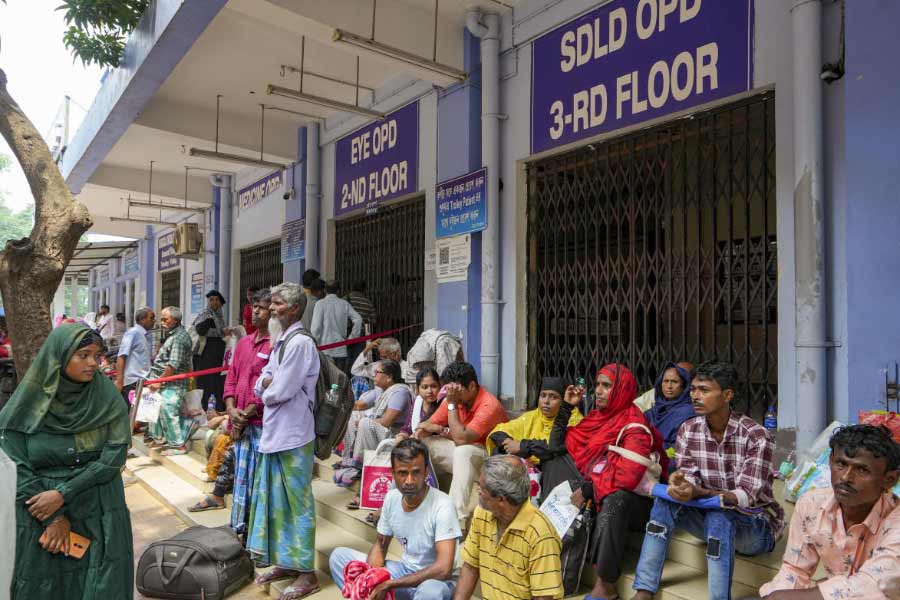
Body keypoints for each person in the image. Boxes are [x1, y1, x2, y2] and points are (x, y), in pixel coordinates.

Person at [0, 324, 133, 598]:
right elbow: (14, 460)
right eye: (83, 355)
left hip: (99, 508)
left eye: (97, 356)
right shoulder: (29, 403)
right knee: (45, 587)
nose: (92, 363)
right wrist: (54, 516)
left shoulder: (106, 398)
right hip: (38, 511)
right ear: (59, 357)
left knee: (99, 586)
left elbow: (113, 457)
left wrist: (63, 494)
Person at [631, 362, 784, 600]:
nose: (695, 396)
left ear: (727, 395)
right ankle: (644, 590)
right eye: (692, 389)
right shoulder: (688, 430)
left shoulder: (755, 435)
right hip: (709, 519)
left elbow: (745, 496)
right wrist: (682, 483)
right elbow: (690, 476)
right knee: (665, 502)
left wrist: (698, 492)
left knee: (720, 514)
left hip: (754, 527)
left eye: (704, 390)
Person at [539, 364, 668, 600]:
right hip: (601, 488)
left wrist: (589, 488)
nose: (598, 390)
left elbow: (627, 477)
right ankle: (551, 540)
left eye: (606, 386)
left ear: (622, 389)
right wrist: (567, 407)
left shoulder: (634, 426)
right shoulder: (597, 418)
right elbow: (556, 447)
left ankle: (605, 583)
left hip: (637, 503)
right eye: (597, 384)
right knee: (553, 463)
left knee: (615, 498)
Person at [759, 424, 900, 600]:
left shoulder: (896, 522)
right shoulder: (811, 505)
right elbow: (795, 570)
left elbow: (874, 584)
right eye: (841, 464)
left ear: (890, 479)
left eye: (862, 469)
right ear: (831, 461)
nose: (846, 477)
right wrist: (775, 595)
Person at [249, 282, 321, 600]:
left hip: (293, 435)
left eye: (277, 303)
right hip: (276, 434)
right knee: (278, 504)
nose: (272, 308)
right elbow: (264, 379)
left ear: (293, 308)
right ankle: (287, 561)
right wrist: (266, 384)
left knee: (298, 504)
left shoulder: (300, 343)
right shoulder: (284, 339)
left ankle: (307, 572)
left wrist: (266, 385)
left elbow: (280, 390)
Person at [330, 439, 461, 600]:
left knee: (431, 591)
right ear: (393, 473)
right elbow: (380, 546)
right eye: (403, 473)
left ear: (426, 471)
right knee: (339, 557)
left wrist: (390, 584)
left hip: (437, 582)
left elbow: (444, 569)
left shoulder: (443, 506)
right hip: (405, 573)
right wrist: (371, 580)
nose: (409, 481)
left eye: (416, 472)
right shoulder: (392, 498)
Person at [204, 289, 272, 532]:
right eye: (254, 306)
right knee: (242, 483)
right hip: (239, 420)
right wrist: (231, 409)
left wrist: (246, 414)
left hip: (261, 425)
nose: (255, 311)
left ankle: (256, 531)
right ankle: (240, 528)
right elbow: (231, 379)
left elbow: (272, 386)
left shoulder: (276, 344)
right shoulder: (244, 343)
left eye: (262, 307)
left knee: (258, 483)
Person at [454, 455, 564, 600]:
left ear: (501, 498)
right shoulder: (482, 513)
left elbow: (543, 597)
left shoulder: (540, 534)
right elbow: (470, 568)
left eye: (482, 487)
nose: (478, 490)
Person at [414, 361, 507, 531]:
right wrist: (418, 434)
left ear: (472, 386)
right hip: (464, 456)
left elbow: (462, 439)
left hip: (490, 461)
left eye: (455, 391)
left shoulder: (489, 405)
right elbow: (429, 424)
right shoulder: (455, 398)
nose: (451, 394)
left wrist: (449, 409)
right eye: (449, 390)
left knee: (464, 451)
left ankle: (455, 519)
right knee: (421, 446)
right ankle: (413, 500)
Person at [337, 359, 413, 491]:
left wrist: (364, 421)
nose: (374, 375)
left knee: (365, 423)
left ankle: (360, 465)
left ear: (389, 377)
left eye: (378, 372)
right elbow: (360, 405)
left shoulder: (399, 392)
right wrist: (341, 400)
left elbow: (387, 421)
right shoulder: (381, 390)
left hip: (394, 435)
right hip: (381, 430)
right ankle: (350, 461)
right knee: (351, 416)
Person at [485, 377, 583, 465]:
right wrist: (508, 442)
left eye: (554, 397)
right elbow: (497, 432)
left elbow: (554, 448)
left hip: (555, 472)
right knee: (499, 451)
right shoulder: (531, 417)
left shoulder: (574, 420)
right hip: (527, 468)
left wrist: (522, 447)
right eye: (543, 395)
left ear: (564, 400)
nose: (546, 401)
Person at [146, 307, 196, 454]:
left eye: (165, 319)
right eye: (161, 319)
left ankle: (178, 446)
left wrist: (159, 382)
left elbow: (172, 365)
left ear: (176, 320)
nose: (162, 322)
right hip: (165, 379)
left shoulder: (179, 338)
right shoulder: (172, 335)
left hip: (174, 382)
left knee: (168, 409)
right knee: (158, 408)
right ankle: (161, 438)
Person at [643, 362, 696, 458]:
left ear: (684, 385)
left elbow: (681, 448)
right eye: (666, 381)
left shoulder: (688, 412)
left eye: (674, 382)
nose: (669, 386)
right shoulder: (654, 411)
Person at [311, 279, 363, 374]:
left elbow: (316, 328)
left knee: (326, 379)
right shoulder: (344, 304)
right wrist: (352, 338)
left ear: (325, 290)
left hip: (325, 349)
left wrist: (315, 344)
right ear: (338, 291)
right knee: (339, 380)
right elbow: (358, 319)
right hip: (341, 349)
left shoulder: (320, 304)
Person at [193, 290, 228, 412]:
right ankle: (201, 413)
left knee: (218, 385)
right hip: (206, 354)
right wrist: (209, 320)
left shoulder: (219, 316)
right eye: (211, 300)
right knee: (205, 386)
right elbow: (200, 330)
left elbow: (220, 332)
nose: (214, 302)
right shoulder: (206, 314)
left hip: (218, 355)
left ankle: (219, 413)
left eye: (216, 300)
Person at [114, 306, 155, 409]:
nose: (154, 321)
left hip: (142, 381)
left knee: (139, 416)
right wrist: (119, 381)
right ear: (142, 319)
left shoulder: (145, 335)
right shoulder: (133, 333)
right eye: (151, 318)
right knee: (131, 414)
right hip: (132, 383)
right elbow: (121, 356)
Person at [398, 368, 443, 439]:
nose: (429, 391)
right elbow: (407, 428)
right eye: (424, 387)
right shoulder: (417, 402)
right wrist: (401, 436)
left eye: (434, 386)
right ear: (418, 389)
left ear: (440, 386)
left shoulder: (443, 403)